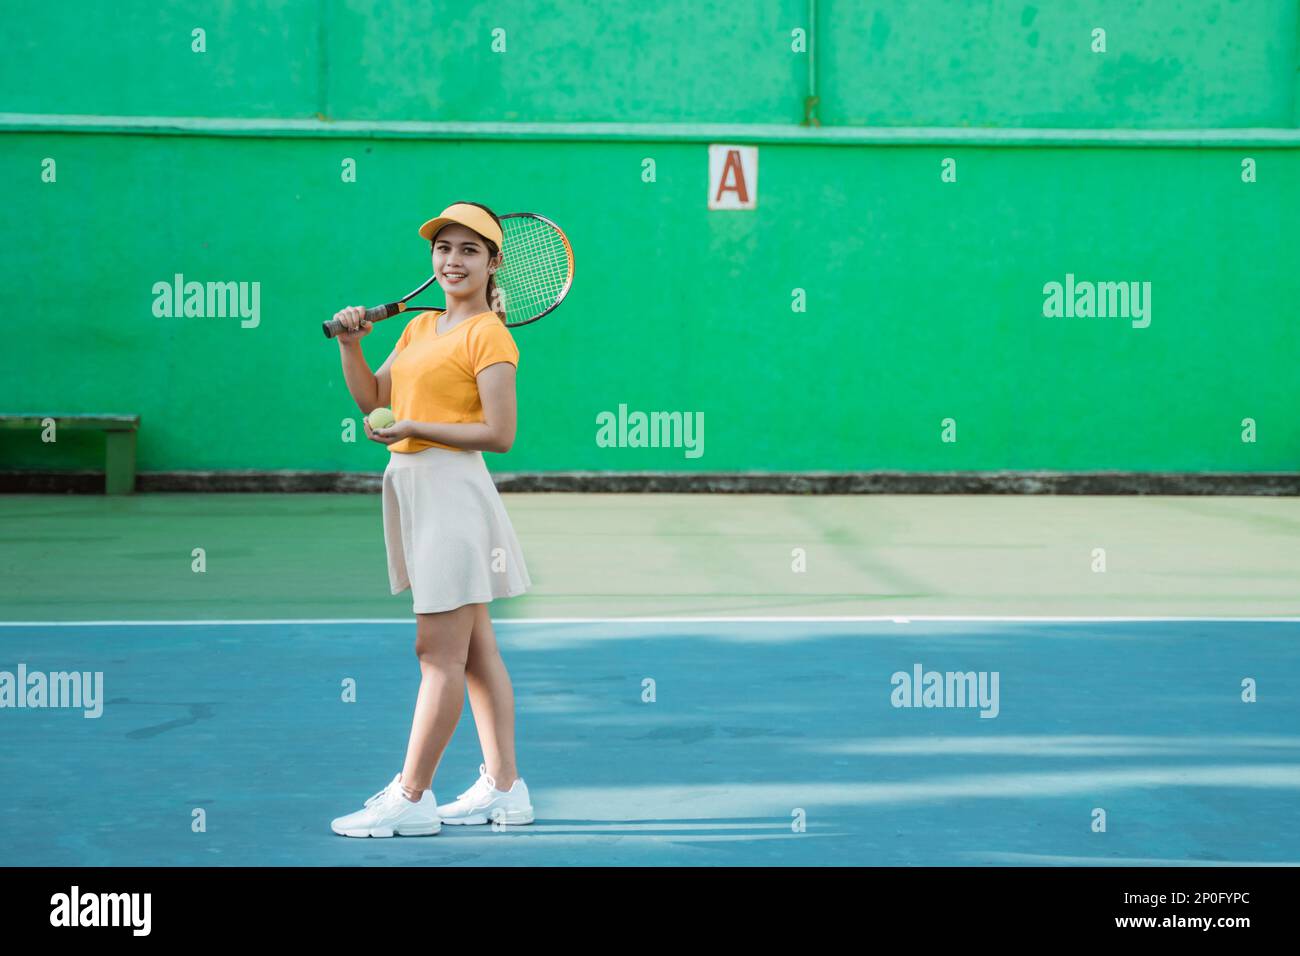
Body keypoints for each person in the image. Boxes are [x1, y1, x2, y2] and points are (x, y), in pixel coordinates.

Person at [329, 201, 536, 837]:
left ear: (493, 263)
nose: (453, 260)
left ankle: (412, 796)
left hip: (452, 491)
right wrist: (351, 345)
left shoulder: (490, 336)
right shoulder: (419, 330)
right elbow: (372, 397)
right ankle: (506, 789)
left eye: (469, 250)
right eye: (444, 248)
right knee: (475, 653)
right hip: (413, 488)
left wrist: (419, 429)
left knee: (436, 652)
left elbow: (498, 434)